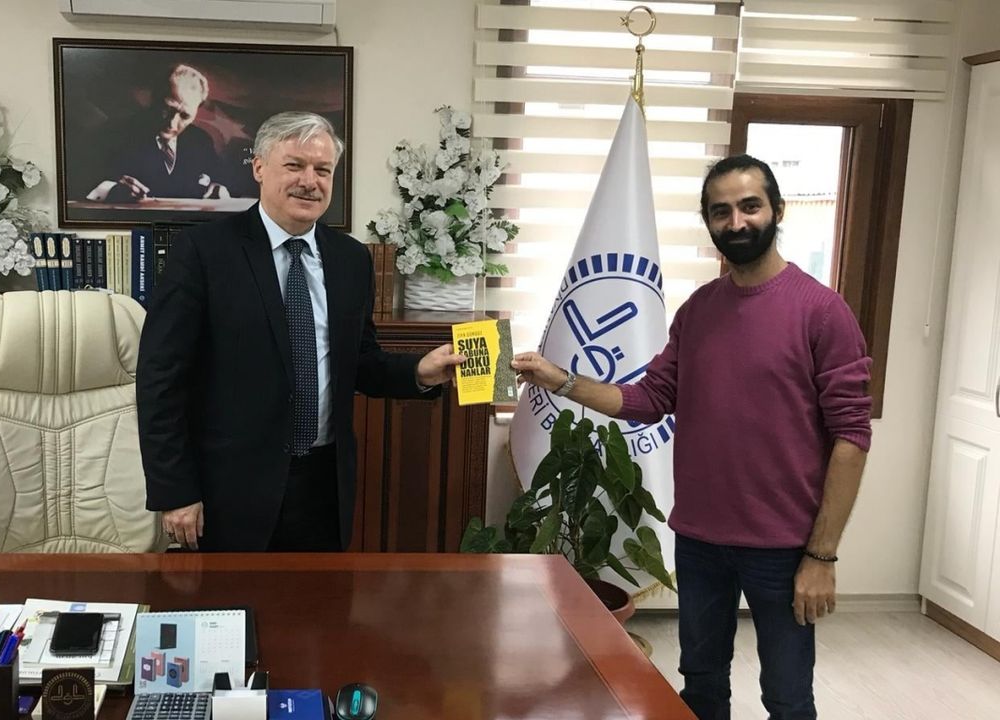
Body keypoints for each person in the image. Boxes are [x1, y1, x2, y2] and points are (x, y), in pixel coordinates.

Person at [512, 154, 871, 720]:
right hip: (701, 541)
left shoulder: (822, 312)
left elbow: (851, 436)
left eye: (750, 206)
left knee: (787, 698)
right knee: (700, 686)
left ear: (777, 210)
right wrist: (559, 379)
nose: (736, 222)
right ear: (708, 222)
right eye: (721, 211)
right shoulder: (699, 310)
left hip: (783, 548)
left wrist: (821, 555)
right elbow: (649, 399)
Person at [137, 111, 464, 553]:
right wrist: (175, 490)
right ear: (258, 167)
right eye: (294, 165)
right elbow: (160, 379)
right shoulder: (203, 252)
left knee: (319, 599)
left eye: (322, 170)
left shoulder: (351, 260)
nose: (310, 181)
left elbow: (360, 361)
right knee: (231, 600)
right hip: (228, 490)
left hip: (323, 486)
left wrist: (420, 372)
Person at [87, 63, 230, 202]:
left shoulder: (200, 141)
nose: (172, 123)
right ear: (153, 98)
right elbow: (81, 179)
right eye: (167, 109)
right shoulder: (114, 133)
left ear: (197, 110)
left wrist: (219, 187)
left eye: (185, 116)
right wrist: (111, 190)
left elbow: (225, 180)